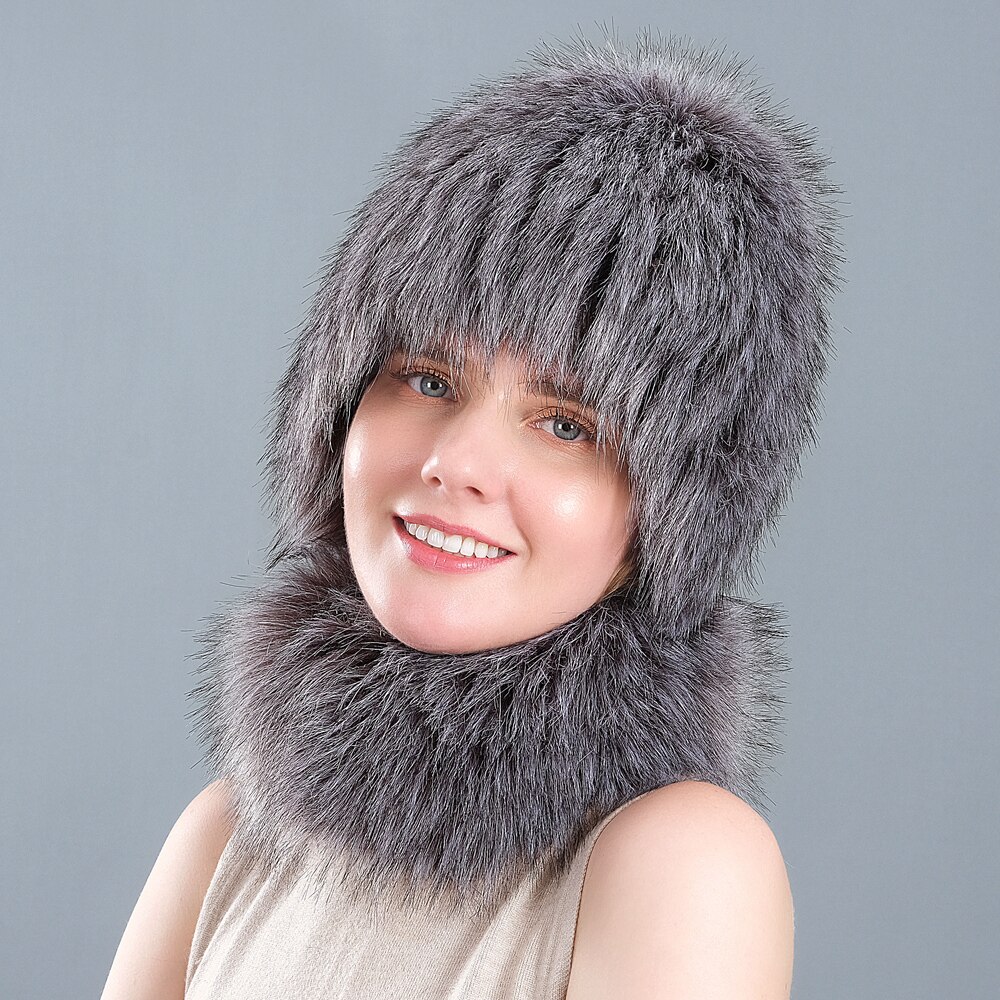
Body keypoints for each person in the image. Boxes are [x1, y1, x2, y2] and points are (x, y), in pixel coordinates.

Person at [102, 28, 841, 1000]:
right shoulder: (229, 835)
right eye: (426, 377)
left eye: (567, 424)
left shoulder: (680, 862)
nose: (455, 462)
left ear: (672, 515)